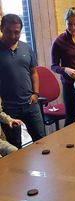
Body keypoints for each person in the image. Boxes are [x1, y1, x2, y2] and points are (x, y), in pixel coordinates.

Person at [0, 14, 45, 148]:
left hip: (31, 104)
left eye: (17, 32)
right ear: (2, 28)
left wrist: (36, 93)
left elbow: (34, 72)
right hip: (10, 109)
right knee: (15, 147)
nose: (13, 36)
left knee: (42, 141)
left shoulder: (27, 48)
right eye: (9, 31)